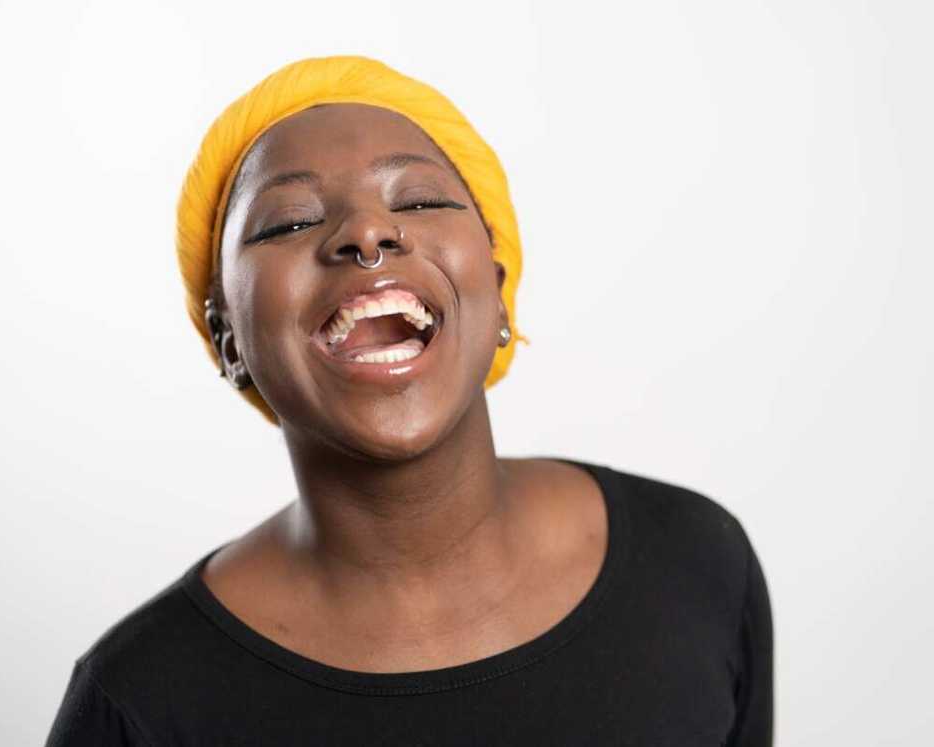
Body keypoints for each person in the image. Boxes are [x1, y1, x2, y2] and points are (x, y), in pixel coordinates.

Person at [45, 55, 773, 746]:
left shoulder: (698, 564)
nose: (366, 231)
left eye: (420, 200)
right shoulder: (139, 704)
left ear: (496, 289)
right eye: (290, 221)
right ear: (228, 337)